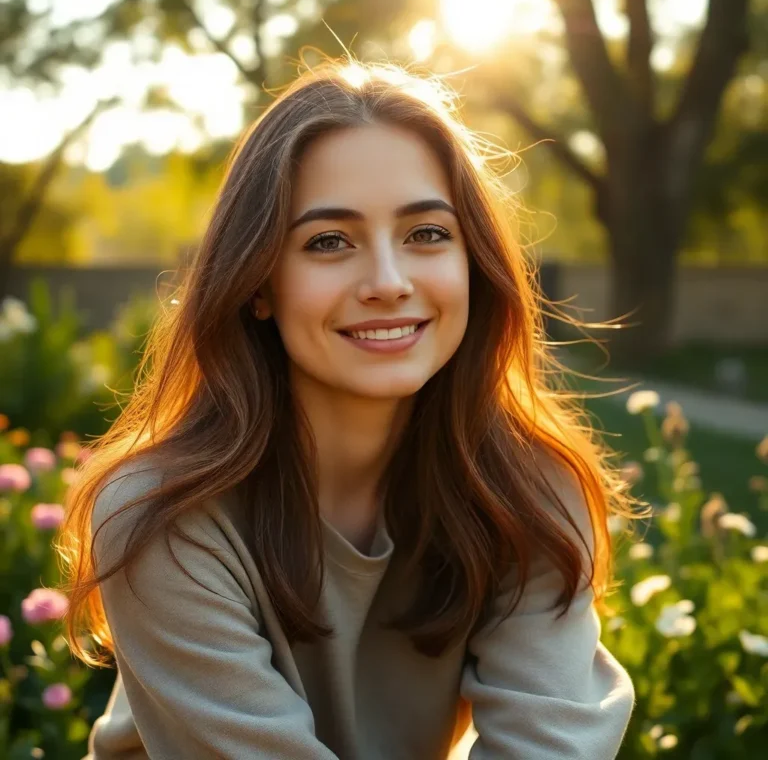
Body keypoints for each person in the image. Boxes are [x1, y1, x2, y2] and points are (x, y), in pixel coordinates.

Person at [58, 59, 639, 760]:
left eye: (426, 233)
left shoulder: (530, 489)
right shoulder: (164, 519)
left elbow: (552, 746)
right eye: (328, 242)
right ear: (257, 282)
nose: (389, 283)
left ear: (472, 262)